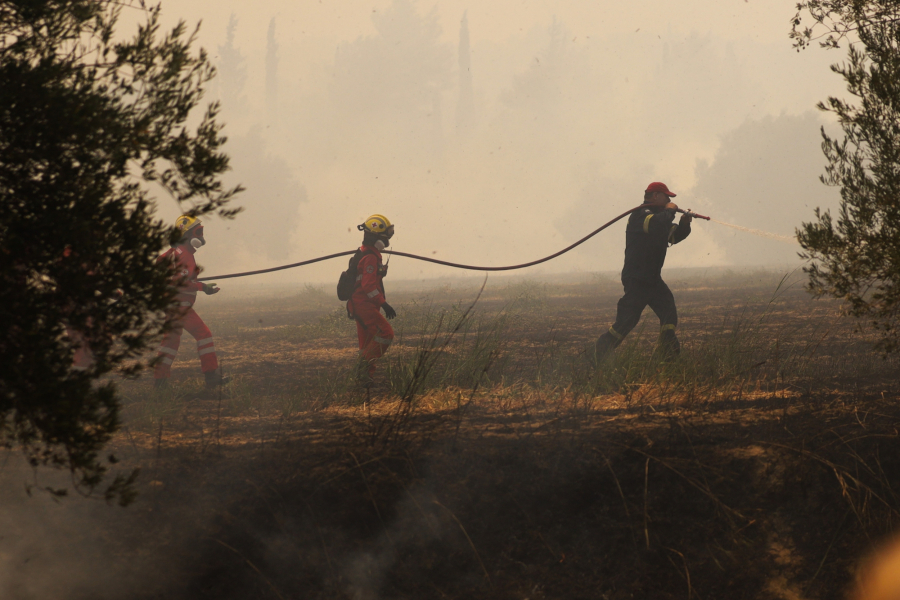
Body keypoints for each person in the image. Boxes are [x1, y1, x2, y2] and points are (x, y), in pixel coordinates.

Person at [593, 182, 693, 363]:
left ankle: (668, 354)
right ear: (655, 196)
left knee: (668, 313)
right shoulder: (641, 215)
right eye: (666, 197)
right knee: (627, 321)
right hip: (637, 279)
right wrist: (670, 211)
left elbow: (673, 236)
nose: (669, 200)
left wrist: (684, 224)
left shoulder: (659, 217)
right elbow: (655, 225)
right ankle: (600, 351)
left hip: (653, 279)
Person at [153, 215, 228, 389]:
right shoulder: (183, 255)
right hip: (180, 307)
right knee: (204, 335)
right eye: (198, 232)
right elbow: (182, 283)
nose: (201, 237)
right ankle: (211, 376)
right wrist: (203, 287)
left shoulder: (173, 253)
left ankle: (160, 382)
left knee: (170, 343)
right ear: (186, 235)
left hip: (173, 306)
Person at [346, 214, 397, 387]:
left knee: (366, 343)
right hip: (363, 305)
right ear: (376, 237)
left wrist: (380, 271)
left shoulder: (367, 253)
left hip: (359, 304)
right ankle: (363, 367)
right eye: (385, 237)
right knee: (386, 333)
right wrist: (384, 304)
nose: (387, 240)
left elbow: (366, 279)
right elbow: (368, 286)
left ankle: (364, 379)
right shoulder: (370, 257)